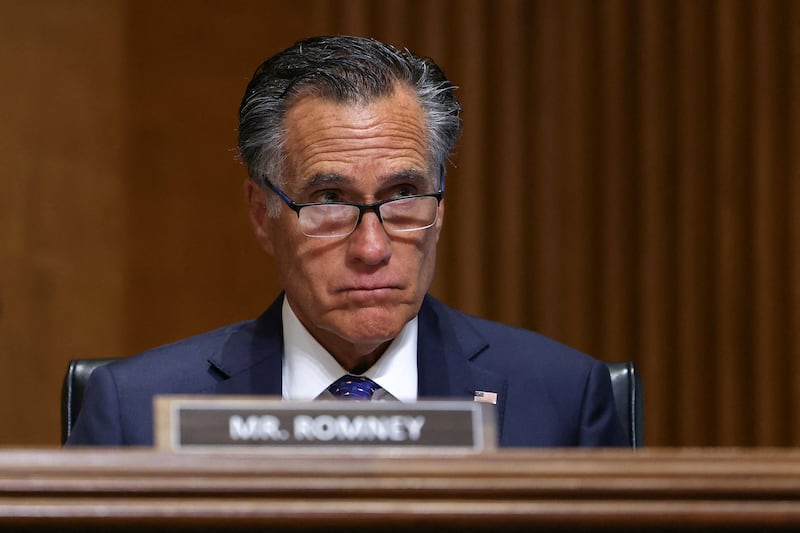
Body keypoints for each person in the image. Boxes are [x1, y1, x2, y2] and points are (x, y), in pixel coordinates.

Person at [66, 35, 627, 447]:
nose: (371, 248)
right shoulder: (134, 412)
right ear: (263, 214)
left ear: (442, 205)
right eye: (330, 200)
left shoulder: (562, 399)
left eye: (405, 194)